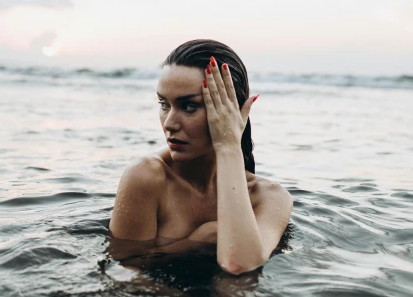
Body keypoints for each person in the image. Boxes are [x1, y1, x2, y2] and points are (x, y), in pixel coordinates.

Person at [109, 39, 292, 275]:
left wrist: (228, 146)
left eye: (189, 106)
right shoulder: (147, 176)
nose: (169, 123)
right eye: (164, 104)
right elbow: (122, 273)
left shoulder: (270, 198)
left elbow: (241, 266)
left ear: (230, 111)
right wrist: (194, 243)